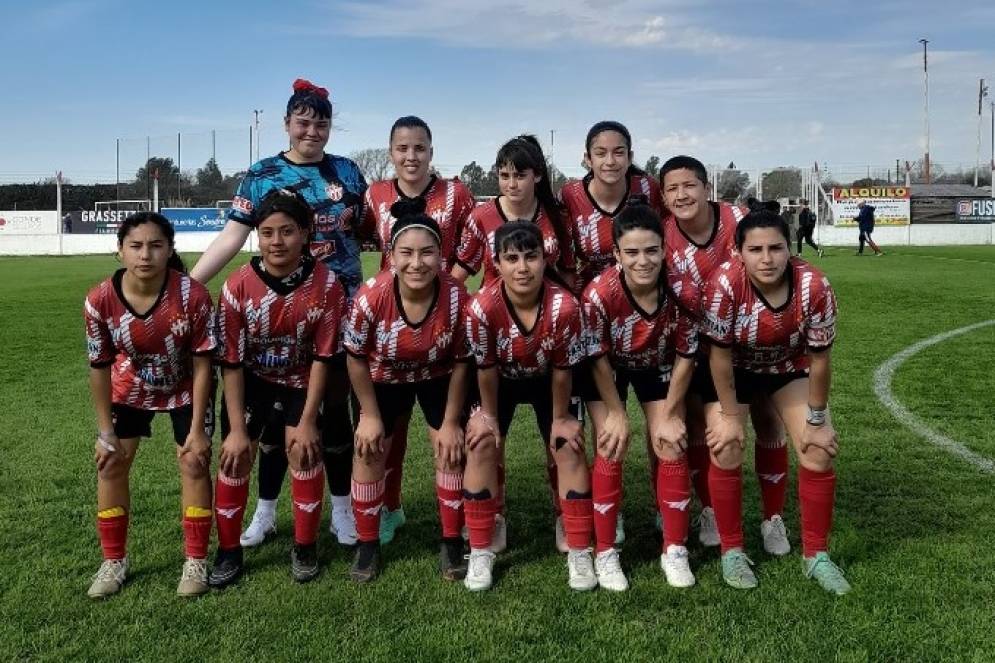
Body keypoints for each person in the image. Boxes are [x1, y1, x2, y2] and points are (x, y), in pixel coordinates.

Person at [191, 78, 365, 549]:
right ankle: (265, 512)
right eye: (303, 122)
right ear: (287, 123)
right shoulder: (262, 173)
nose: (312, 130)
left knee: (331, 414)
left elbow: (371, 235)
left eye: (321, 122)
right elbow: (232, 236)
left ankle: (343, 511)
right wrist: (188, 287)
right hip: (275, 313)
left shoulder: (349, 173)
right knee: (270, 420)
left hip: (338, 310)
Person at [699, 209, 849, 595]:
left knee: (818, 448)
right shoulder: (723, 284)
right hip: (734, 370)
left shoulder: (814, 285)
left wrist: (817, 417)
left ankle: (815, 554)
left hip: (788, 367)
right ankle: (732, 550)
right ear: (738, 252)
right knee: (727, 441)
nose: (767, 259)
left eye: (776, 248)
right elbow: (717, 357)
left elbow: (820, 359)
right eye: (756, 249)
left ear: (790, 249)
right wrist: (730, 415)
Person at [208, 189, 347, 587]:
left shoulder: (327, 285)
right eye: (267, 232)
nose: (277, 241)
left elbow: (324, 358)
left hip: (303, 381)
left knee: (304, 450)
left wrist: (306, 421)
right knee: (234, 458)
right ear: (257, 235)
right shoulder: (237, 286)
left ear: (305, 233)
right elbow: (231, 364)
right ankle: (228, 552)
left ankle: (304, 547)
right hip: (252, 382)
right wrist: (236, 430)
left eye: (287, 231)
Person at [660, 156, 792, 559]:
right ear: (663, 196)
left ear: (706, 188)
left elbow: (774, 264)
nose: (682, 194)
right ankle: (711, 511)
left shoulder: (738, 219)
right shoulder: (664, 236)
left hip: (755, 342)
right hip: (700, 344)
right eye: (672, 188)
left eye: (690, 185)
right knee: (704, 426)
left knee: (768, 419)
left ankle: (772, 518)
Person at [84, 212, 216, 598]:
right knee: (111, 463)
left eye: (156, 245)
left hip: (186, 385)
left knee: (193, 461)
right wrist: (104, 431)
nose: (146, 255)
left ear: (170, 249)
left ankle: (195, 560)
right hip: (131, 387)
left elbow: (204, 363)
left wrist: (196, 430)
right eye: (136, 246)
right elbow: (99, 367)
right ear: (120, 251)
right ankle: (113, 561)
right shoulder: (99, 300)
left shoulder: (193, 295)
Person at [360, 116, 475, 546]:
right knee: (391, 429)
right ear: (391, 152)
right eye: (403, 148)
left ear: (431, 150)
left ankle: (456, 522)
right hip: (391, 321)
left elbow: (474, 240)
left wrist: (452, 285)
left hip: (440, 322)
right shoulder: (375, 196)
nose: (411, 156)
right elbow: (364, 238)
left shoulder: (456, 194)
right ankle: (389, 508)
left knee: (445, 428)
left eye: (420, 148)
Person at [344, 200, 472, 582]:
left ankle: (451, 541)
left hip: (437, 374)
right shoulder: (370, 297)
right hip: (382, 379)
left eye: (427, 252)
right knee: (369, 449)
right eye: (407, 253)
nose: (417, 263)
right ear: (391, 256)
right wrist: (368, 416)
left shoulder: (456, 297)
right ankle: (367, 546)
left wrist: (450, 422)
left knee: (450, 449)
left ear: (441, 255)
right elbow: (354, 357)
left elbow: (464, 360)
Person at [462, 222, 592, 592]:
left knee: (568, 445)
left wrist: (563, 418)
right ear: (497, 264)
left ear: (544, 258)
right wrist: (487, 417)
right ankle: (482, 546)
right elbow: (484, 369)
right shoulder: (481, 308)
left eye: (531, 257)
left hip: (549, 378)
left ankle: (579, 546)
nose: (522, 267)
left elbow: (564, 370)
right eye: (512, 258)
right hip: (498, 381)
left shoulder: (565, 306)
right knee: (482, 443)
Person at [580, 200, 697, 591]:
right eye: (631, 252)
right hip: (608, 367)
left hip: (658, 366)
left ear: (665, 249)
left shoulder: (683, 290)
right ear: (616, 254)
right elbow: (595, 357)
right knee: (612, 442)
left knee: (670, 441)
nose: (643, 261)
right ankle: (606, 552)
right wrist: (615, 411)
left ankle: (675, 548)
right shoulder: (598, 294)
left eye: (651, 251)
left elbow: (685, 356)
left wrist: (671, 412)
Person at [452, 135, 575, 289]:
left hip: (544, 308)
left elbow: (567, 271)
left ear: (537, 175)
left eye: (520, 176)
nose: (511, 184)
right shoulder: (481, 217)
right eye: (504, 176)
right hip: (495, 308)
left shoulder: (556, 216)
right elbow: (462, 268)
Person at [560, 121, 663, 289]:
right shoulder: (569, 195)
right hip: (591, 292)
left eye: (618, 153)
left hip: (645, 287)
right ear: (588, 159)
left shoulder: (649, 188)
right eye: (601, 153)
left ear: (629, 158)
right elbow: (564, 259)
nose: (610, 161)